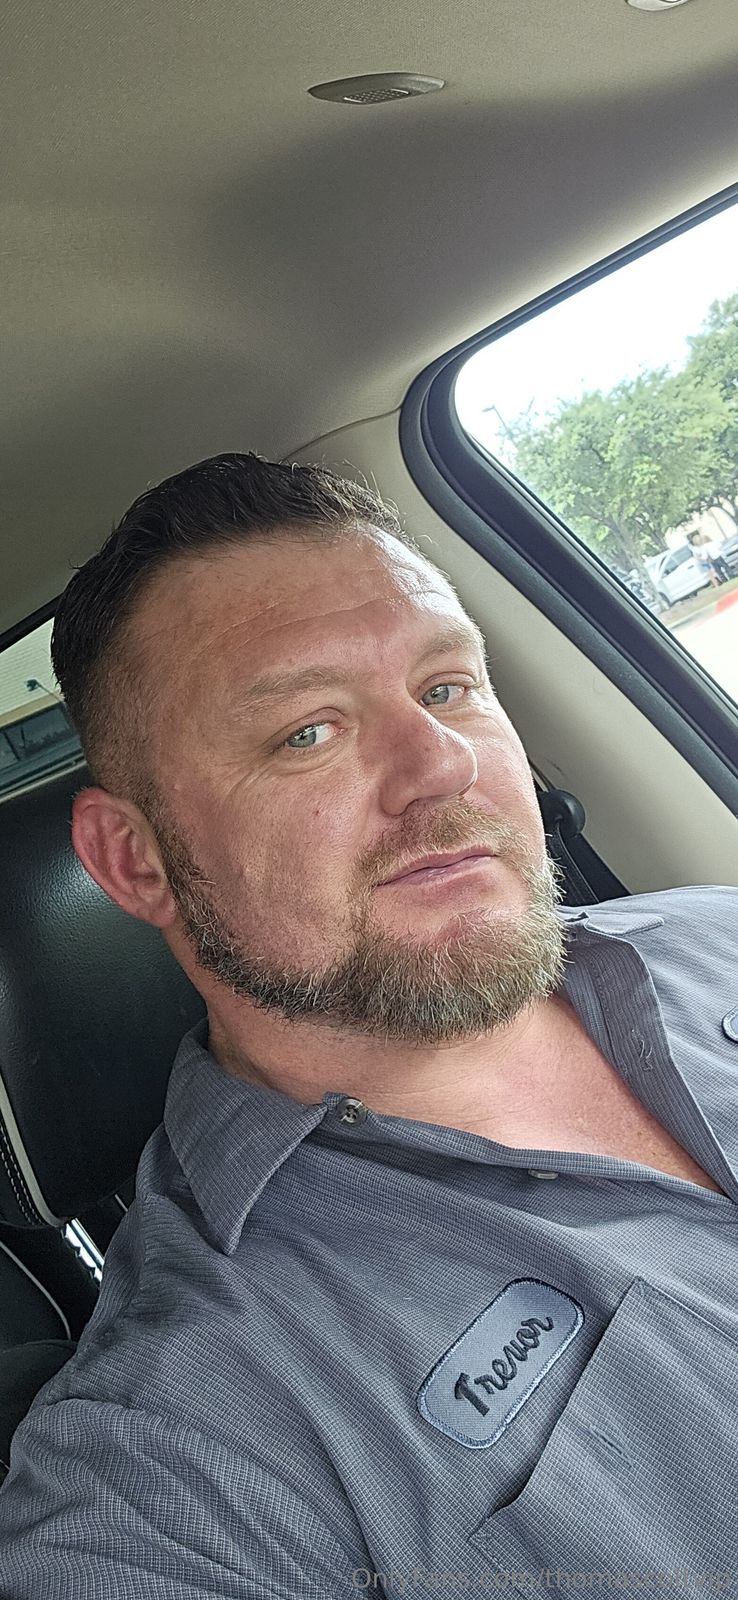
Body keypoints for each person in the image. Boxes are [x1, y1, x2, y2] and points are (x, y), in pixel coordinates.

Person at [1, 452, 737, 1595]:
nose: (442, 764)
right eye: (308, 731)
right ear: (134, 860)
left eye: (446, 688)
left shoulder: (716, 926)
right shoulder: (180, 1438)